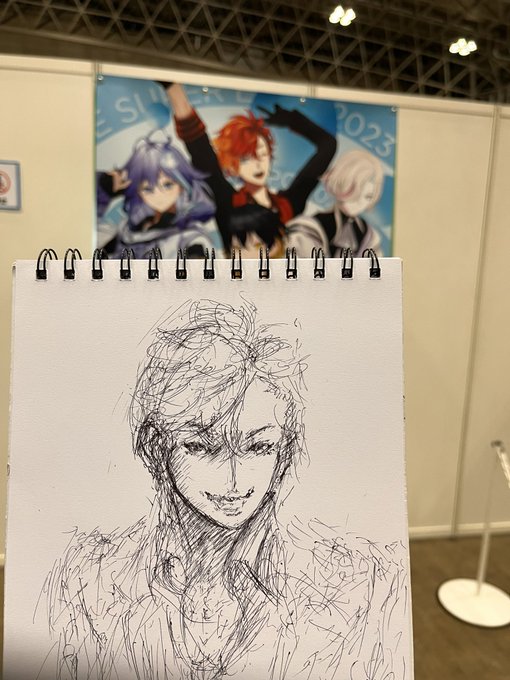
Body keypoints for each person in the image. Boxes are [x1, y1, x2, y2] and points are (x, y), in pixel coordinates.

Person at [41, 300, 407, 680]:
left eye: (258, 447)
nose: (233, 481)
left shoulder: (359, 581)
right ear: (155, 447)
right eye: (201, 447)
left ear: (284, 452)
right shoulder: (91, 576)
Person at [165, 83, 337, 258]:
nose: (258, 164)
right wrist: (174, 89)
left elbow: (328, 146)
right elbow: (199, 147)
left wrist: (292, 120)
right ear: (233, 164)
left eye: (262, 154)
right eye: (246, 158)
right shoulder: (228, 203)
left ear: (270, 156)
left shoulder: (288, 205)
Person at [96, 133, 217, 258]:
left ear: (182, 185)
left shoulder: (190, 240)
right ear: (138, 192)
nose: (159, 195)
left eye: (168, 185)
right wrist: (105, 187)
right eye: (147, 189)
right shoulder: (129, 231)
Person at [287, 149, 385, 257]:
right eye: (355, 193)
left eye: (368, 197)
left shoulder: (368, 235)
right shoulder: (309, 228)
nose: (360, 202)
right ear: (341, 185)